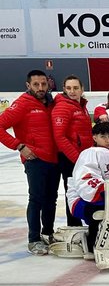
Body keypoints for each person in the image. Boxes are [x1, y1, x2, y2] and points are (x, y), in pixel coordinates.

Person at [0, 69, 60, 255]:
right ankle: (34, 239)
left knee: (52, 199)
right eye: (36, 84)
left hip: (54, 158)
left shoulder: (52, 102)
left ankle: (48, 233)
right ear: (28, 85)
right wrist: (19, 146)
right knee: (36, 199)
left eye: (44, 84)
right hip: (35, 160)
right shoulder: (22, 104)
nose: (41, 88)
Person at [67, 122, 109, 257]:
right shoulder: (89, 153)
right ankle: (90, 242)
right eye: (103, 137)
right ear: (94, 137)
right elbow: (86, 180)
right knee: (100, 213)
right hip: (84, 198)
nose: (107, 140)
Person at [52, 75, 93, 226]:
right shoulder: (63, 106)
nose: (72, 91)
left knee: (83, 189)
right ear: (64, 89)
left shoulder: (80, 106)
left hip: (81, 157)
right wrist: (77, 159)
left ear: (82, 89)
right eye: (68, 88)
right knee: (73, 193)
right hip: (70, 158)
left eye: (76, 88)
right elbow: (60, 137)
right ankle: (74, 226)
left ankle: (81, 224)